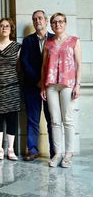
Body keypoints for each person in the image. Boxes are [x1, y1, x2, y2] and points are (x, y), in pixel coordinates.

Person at [41, 12, 82, 168]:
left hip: (67, 83)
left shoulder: (74, 41)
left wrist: (77, 84)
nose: (57, 24)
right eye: (54, 22)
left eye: (60, 22)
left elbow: (78, 64)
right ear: (51, 25)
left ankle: (68, 154)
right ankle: (57, 153)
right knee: (55, 120)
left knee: (68, 119)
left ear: (65, 23)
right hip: (51, 84)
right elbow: (44, 66)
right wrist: (43, 86)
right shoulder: (48, 44)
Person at [20, 10, 55, 161]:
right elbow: (24, 62)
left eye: (40, 18)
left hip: (51, 87)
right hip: (32, 85)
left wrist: (46, 81)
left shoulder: (54, 39)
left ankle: (55, 151)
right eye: (34, 19)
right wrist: (37, 80)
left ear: (46, 21)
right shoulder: (27, 41)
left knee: (52, 119)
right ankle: (32, 150)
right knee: (32, 119)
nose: (37, 21)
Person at [0, 18, 20, 161]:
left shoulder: (18, 47)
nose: (4, 28)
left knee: (12, 119)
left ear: (11, 29)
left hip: (12, 86)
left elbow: (20, 67)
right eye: (1, 26)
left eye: (7, 26)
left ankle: (11, 149)